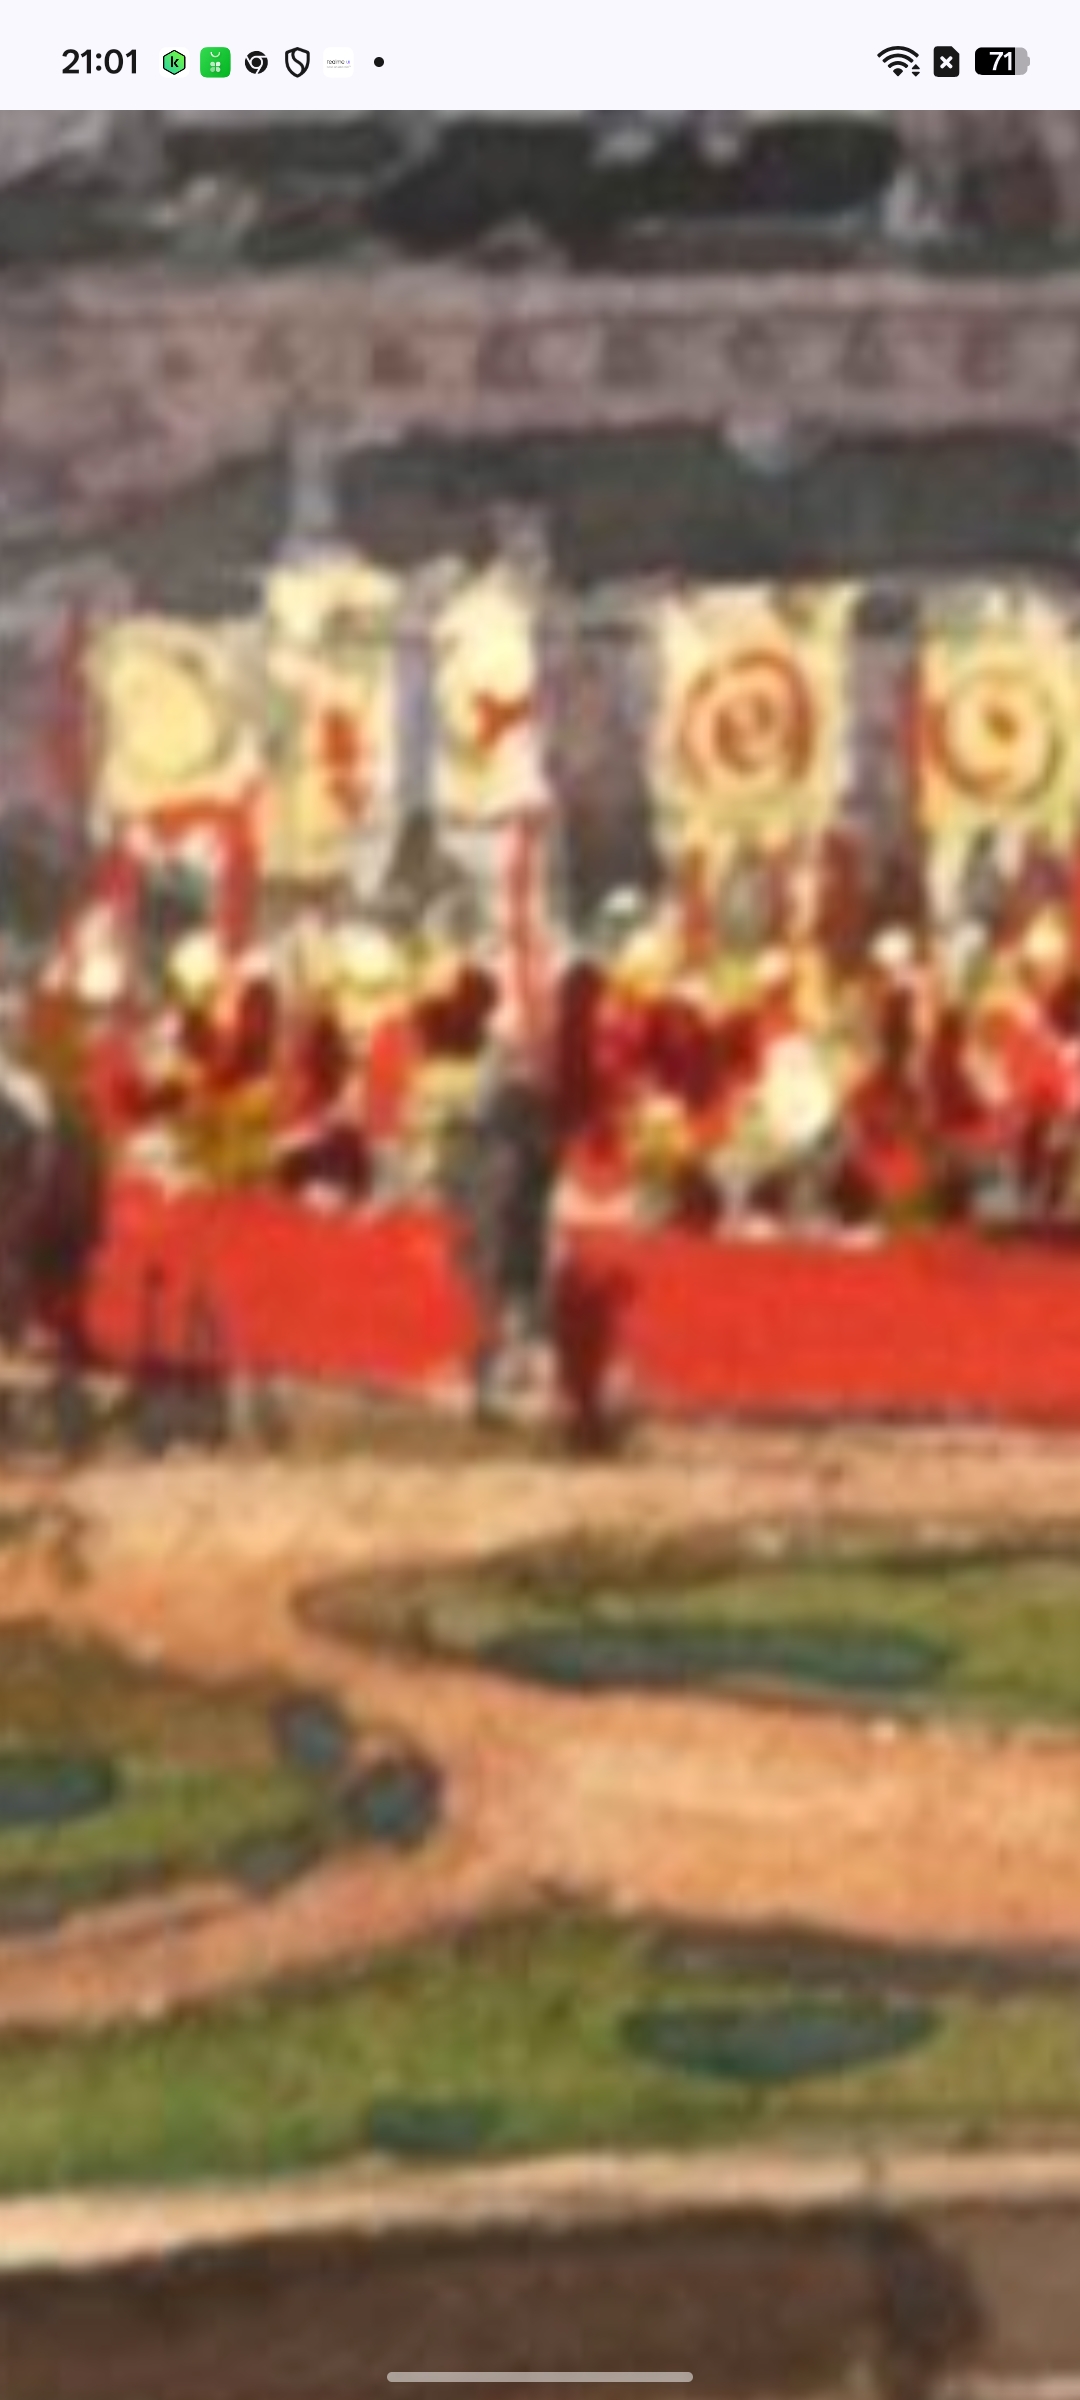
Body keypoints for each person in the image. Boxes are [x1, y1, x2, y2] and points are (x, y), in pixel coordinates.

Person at [443, 1023, 557, 1423]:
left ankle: (494, 1388)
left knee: (503, 1305)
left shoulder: (504, 1110)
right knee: (506, 1306)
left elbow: (463, 1170)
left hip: (510, 1219)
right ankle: (494, 1388)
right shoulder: (516, 1108)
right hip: (509, 1220)